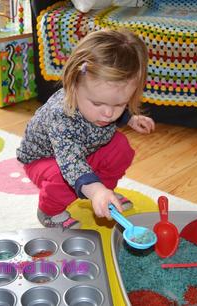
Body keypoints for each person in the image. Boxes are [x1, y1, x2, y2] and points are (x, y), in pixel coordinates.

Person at [16, 28, 155, 229]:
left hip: (85, 149)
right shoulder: (61, 115)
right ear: (73, 85)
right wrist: (95, 190)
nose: (109, 114)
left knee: (120, 147)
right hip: (48, 160)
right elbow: (71, 162)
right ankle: (49, 210)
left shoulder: (105, 108)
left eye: (119, 104)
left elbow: (111, 107)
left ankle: (103, 194)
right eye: (98, 104)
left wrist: (130, 119)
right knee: (63, 178)